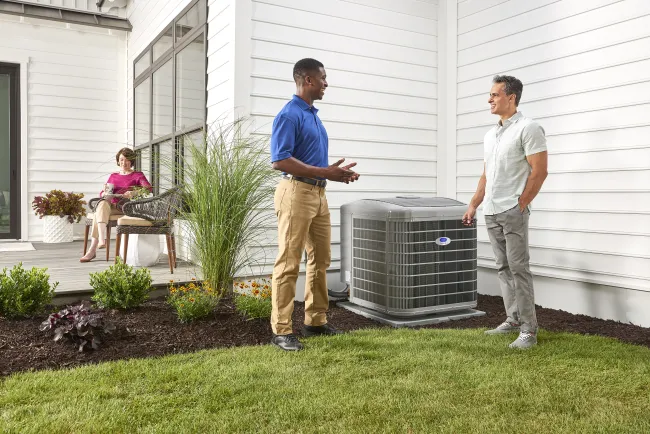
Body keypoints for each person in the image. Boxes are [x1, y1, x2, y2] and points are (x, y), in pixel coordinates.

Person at [269, 58, 360, 351]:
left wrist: (338, 175)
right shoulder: (289, 115)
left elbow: (314, 162)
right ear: (307, 80)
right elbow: (279, 160)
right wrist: (325, 173)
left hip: (318, 195)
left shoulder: (313, 115)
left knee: (321, 259)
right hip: (295, 193)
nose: (326, 83)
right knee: (289, 262)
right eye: (322, 78)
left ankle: (315, 322)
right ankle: (281, 330)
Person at [462, 75, 548, 349]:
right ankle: (512, 319)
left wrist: (521, 203)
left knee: (518, 268)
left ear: (511, 97)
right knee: (503, 267)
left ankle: (529, 331)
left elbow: (540, 171)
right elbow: (486, 175)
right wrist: (474, 204)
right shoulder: (491, 134)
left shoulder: (529, 128)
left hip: (512, 210)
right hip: (492, 209)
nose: (489, 99)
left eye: (494, 94)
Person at [80, 147, 152, 263]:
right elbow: (104, 193)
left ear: (132, 161)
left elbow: (148, 189)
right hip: (113, 207)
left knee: (98, 212)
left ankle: (92, 250)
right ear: (118, 161)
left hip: (128, 208)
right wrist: (104, 193)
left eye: (127, 160)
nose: (124, 162)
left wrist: (134, 193)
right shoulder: (113, 176)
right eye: (122, 159)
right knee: (102, 204)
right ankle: (101, 241)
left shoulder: (138, 175)